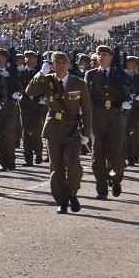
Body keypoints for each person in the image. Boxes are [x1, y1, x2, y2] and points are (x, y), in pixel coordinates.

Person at [24, 51, 92, 214]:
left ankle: (72, 193)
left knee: (73, 165)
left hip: (72, 129)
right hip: (53, 127)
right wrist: (41, 73)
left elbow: (87, 110)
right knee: (56, 168)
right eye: (57, 62)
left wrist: (86, 133)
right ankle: (62, 200)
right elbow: (30, 91)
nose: (61, 65)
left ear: (68, 64)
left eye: (64, 62)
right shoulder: (47, 80)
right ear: (52, 65)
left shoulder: (78, 83)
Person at [84, 45, 131, 199]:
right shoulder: (90, 75)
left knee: (115, 156)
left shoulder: (120, 74)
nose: (102, 57)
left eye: (105, 54)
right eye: (99, 54)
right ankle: (101, 188)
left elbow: (126, 92)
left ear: (111, 57)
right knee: (98, 156)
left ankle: (115, 179)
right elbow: (86, 98)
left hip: (116, 118)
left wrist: (125, 102)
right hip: (97, 119)